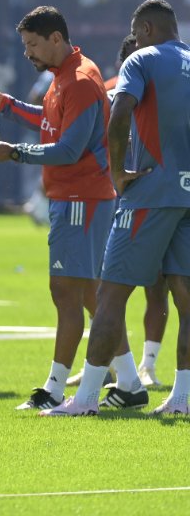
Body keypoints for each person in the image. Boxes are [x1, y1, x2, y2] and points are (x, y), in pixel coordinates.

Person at [0, 6, 133, 411]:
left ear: (56, 39)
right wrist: (6, 105)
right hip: (76, 197)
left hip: (81, 198)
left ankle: (54, 389)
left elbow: (68, 150)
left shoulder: (78, 80)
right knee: (91, 295)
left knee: (67, 292)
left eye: (32, 44)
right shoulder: (65, 74)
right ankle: (131, 382)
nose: (27, 52)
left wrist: (13, 152)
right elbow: (49, 122)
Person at [49, 0, 190, 416]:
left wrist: (117, 172)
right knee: (186, 299)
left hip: (150, 192)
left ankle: (86, 398)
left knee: (110, 294)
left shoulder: (141, 59)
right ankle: (182, 399)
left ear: (145, 29)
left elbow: (121, 110)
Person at [108, 33, 169, 388]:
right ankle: (108, 362)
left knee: (158, 286)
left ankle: (148, 365)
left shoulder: (170, 95)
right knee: (106, 289)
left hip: (158, 198)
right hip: (117, 201)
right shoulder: (110, 95)